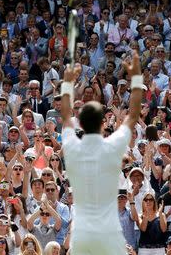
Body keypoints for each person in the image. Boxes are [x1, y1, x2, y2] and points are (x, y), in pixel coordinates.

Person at [60, 51, 142, 254]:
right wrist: (137, 77)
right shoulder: (112, 146)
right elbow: (132, 116)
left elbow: (65, 114)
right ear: (102, 123)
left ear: (81, 123)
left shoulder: (71, 143)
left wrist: (68, 83)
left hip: (82, 234)